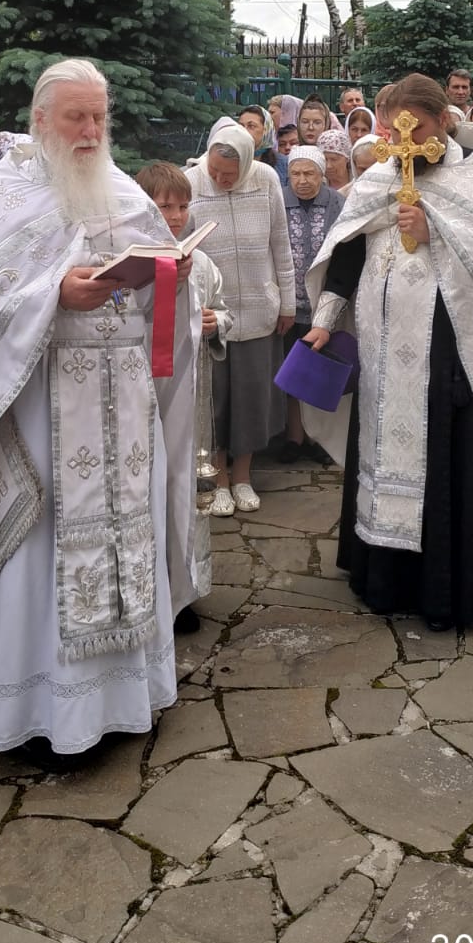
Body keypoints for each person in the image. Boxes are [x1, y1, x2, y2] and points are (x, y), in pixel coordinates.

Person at [0, 60, 196, 763]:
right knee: (43, 555)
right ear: (41, 120)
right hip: (42, 414)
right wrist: (53, 295)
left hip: (124, 414)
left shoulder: (125, 191)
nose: (90, 131)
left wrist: (172, 276)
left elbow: (155, 309)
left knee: (128, 541)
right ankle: (45, 713)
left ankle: (125, 702)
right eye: (76, 116)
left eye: (99, 116)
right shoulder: (8, 198)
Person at [301, 76, 473, 631]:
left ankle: (443, 590)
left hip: (447, 353)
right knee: (380, 452)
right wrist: (324, 323)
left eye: (414, 127)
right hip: (381, 352)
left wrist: (435, 230)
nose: (403, 139)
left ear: (443, 120)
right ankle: (383, 577)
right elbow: (346, 253)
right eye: (393, 128)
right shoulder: (379, 178)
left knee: (444, 459)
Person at [134, 160, 230, 629]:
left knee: (187, 484)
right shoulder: (131, 264)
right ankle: (150, 588)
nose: (175, 216)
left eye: (182, 206)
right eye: (164, 206)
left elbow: (223, 308)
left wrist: (216, 323)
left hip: (192, 397)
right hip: (145, 397)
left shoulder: (202, 263)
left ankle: (186, 588)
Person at [188, 121, 294, 514]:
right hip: (210, 312)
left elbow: (280, 242)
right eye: (215, 171)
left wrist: (286, 302)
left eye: (230, 174)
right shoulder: (192, 182)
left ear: (248, 164)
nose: (221, 179)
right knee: (213, 399)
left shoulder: (266, 179)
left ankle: (243, 476)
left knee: (252, 398)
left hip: (258, 307)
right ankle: (217, 479)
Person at [276, 146, 344, 464]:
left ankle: (320, 440)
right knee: (293, 372)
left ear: (321, 174)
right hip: (290, 306)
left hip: (324, 305)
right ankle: (294, 436)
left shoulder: (336, 203)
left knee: (320, 373)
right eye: (295, 174)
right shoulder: (279, 201)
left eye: (309, 174)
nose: (302, 181)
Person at [317, 128, 353, 193]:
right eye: (325, 159)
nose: (328, 166)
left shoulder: (358, 185)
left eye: (334, 159)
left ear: (347, 158)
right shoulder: (317, 185)